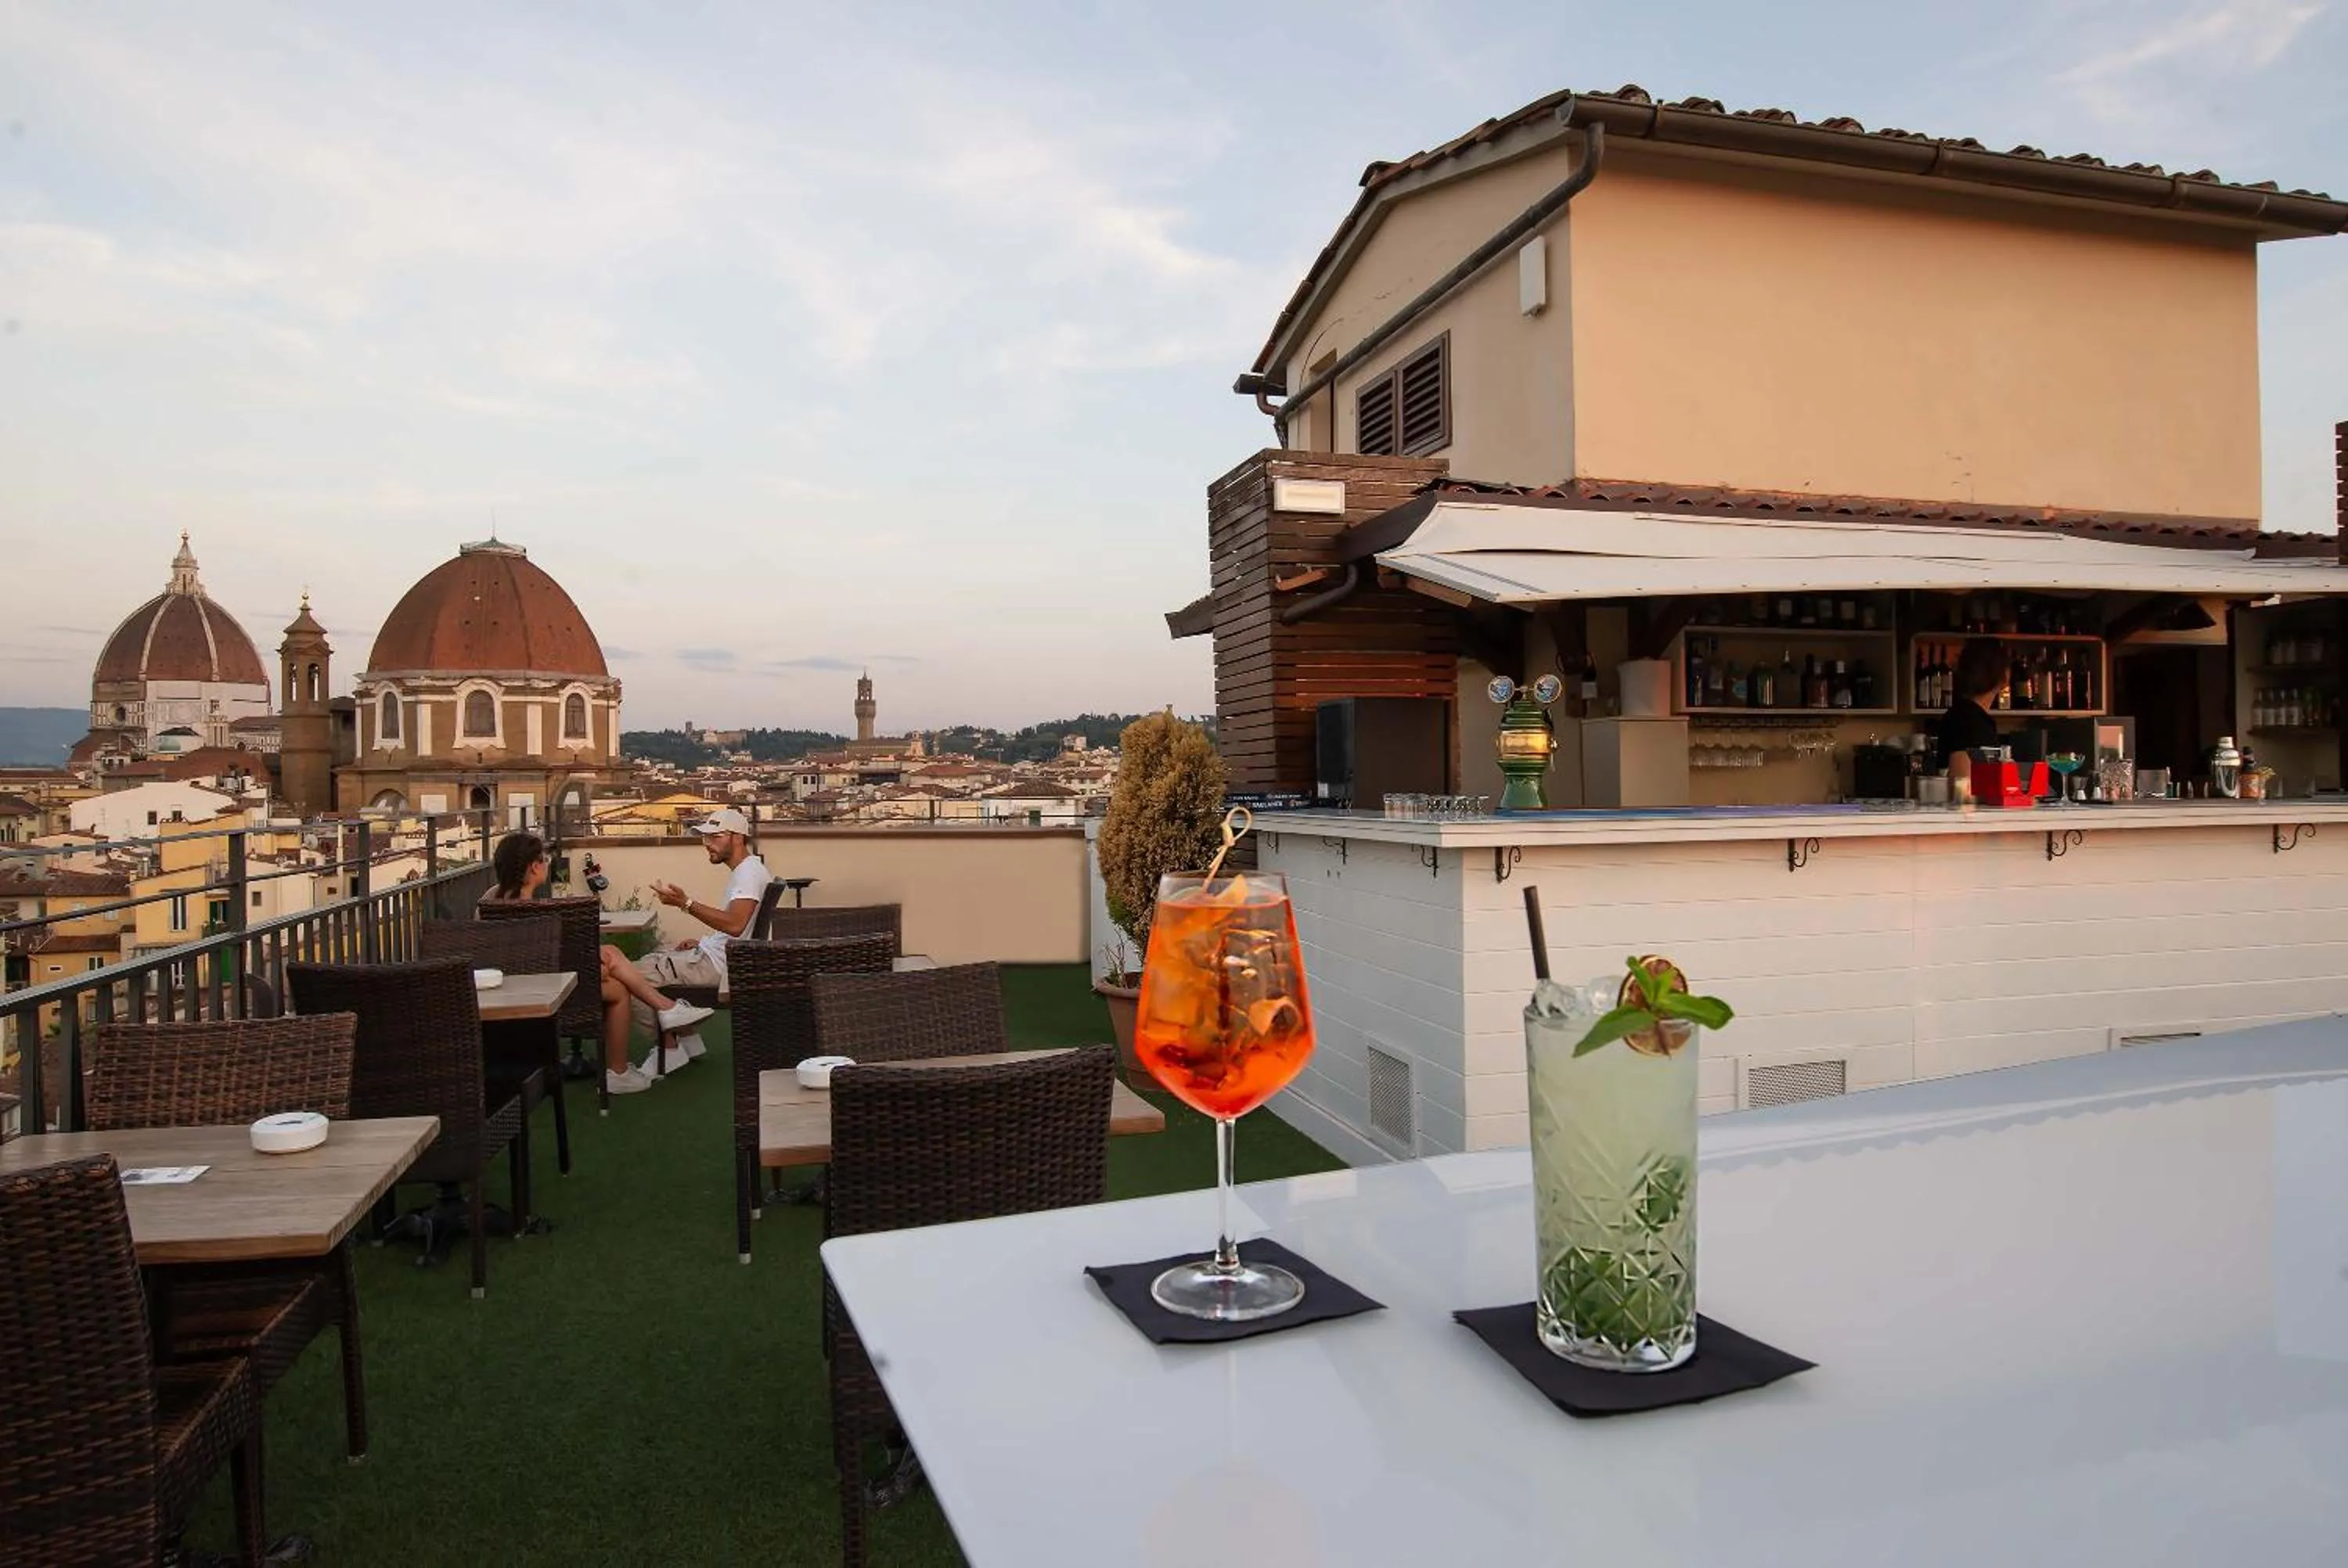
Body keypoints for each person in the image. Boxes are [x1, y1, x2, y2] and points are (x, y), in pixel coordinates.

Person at [484, 830, 714, 1095]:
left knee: (610, 960)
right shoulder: (536, 913)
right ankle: (620, 1069)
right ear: (534, 867)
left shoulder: (489, 901)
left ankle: (664, 1019)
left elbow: (526, 959)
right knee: (617, 984)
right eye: (544, 859)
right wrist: (597, 967)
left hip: (506, 988)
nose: (547, 863)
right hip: (547, 991)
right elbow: (547, 964)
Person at [601, 807, 769, 1085]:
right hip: (717, 955)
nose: (707, 844)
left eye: (714, 837)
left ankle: (670, 1045)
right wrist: (703, 941)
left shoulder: (748, 874)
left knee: (628, 977)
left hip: (718, 965)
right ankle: (686, 1036)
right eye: (705, 838)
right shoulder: (748, 870)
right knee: (649, 960)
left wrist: (685, 904)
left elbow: (736, 925)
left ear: (737, 838)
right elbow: (738, 927)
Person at [1936, 638, 2010, 796]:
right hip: (1969, 817)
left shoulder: (1959, 714)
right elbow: (1962, 788)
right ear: (2003, 675)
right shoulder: (1972, 720)